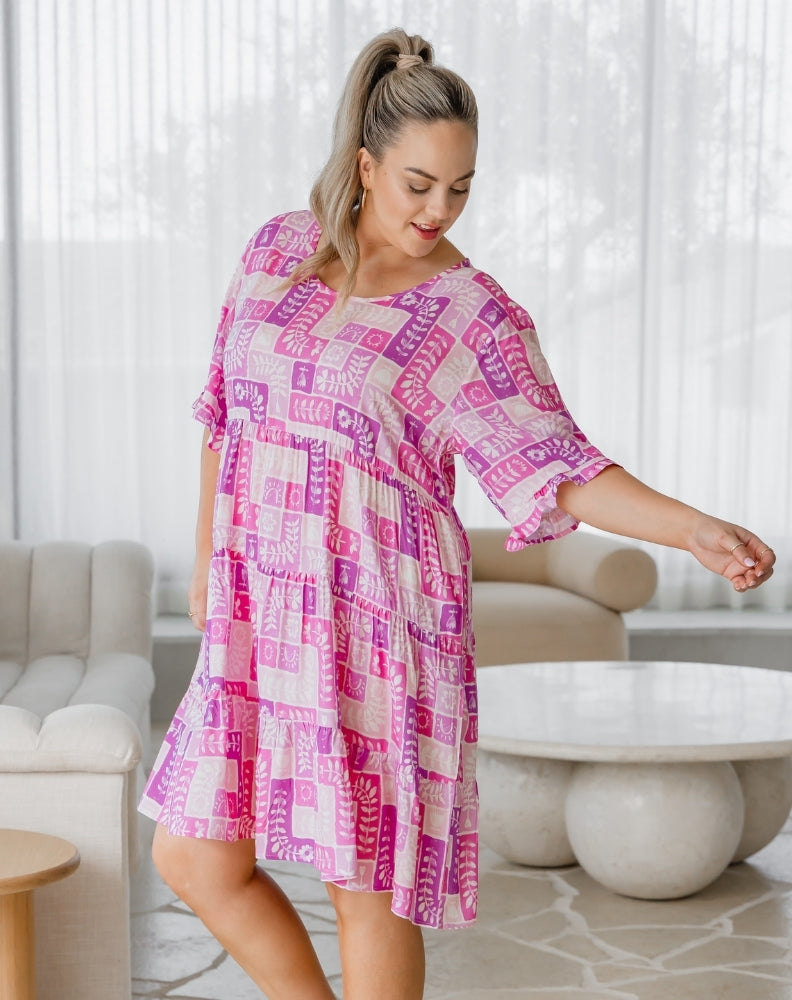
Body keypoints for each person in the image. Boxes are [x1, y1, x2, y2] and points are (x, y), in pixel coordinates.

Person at [139, 27, 775, 1000]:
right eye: (419, 183)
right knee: (194, 854)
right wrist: (202, 562)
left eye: (462, 186)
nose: (440, 209)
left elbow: (557, 463)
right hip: (259, 614)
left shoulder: (470, 315)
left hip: (382, 626)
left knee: (369, 886)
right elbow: (221, 418)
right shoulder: (275, 250)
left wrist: (691, 527)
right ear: (365, 165)